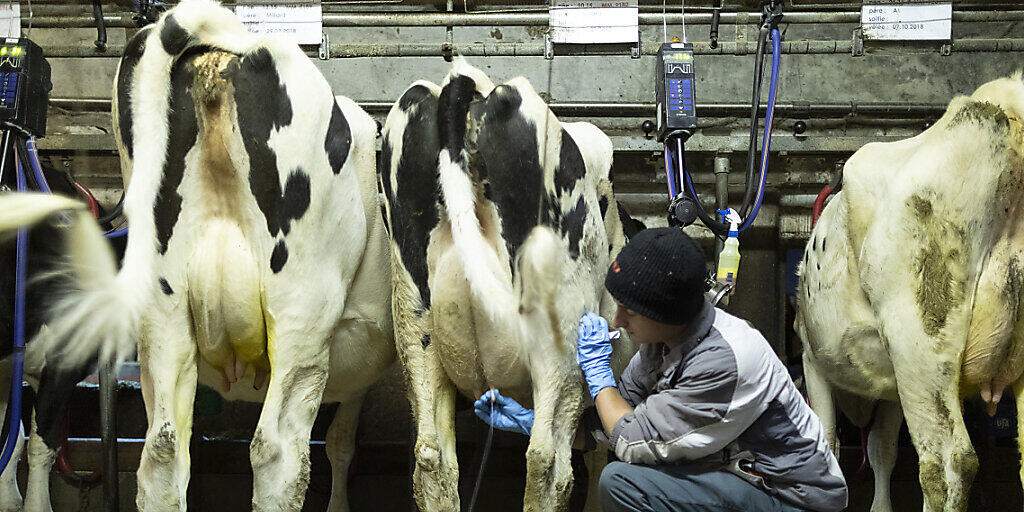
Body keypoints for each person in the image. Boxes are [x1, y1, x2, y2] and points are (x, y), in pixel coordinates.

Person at [474, 227, 848, 512]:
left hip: (794, 499)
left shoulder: (723, 358)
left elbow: (629, 441)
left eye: (629, 312)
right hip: (741, 479)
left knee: (622, 482)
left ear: (666, 314)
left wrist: (598, 373)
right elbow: (607, 428)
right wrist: (538, 423)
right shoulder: (662, 345)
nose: (617, 321)